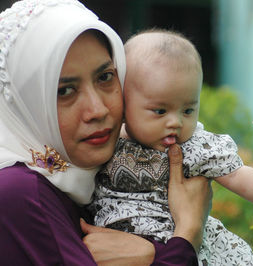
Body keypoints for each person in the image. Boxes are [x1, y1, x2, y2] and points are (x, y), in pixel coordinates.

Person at [0, 1, 212, 265]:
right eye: (64, 91)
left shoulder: (84, 182)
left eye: (105, 77)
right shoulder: (20, 195)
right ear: (26, 106)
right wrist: (187, 235)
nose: (98, 110)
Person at [90, 29, 253, 265]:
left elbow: (239, 177)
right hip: (118, 249)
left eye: (188, 110)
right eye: (160, 111)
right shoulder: (106, 140)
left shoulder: (192, 147)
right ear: (123, 103)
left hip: (176, 245)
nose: (176, 122)